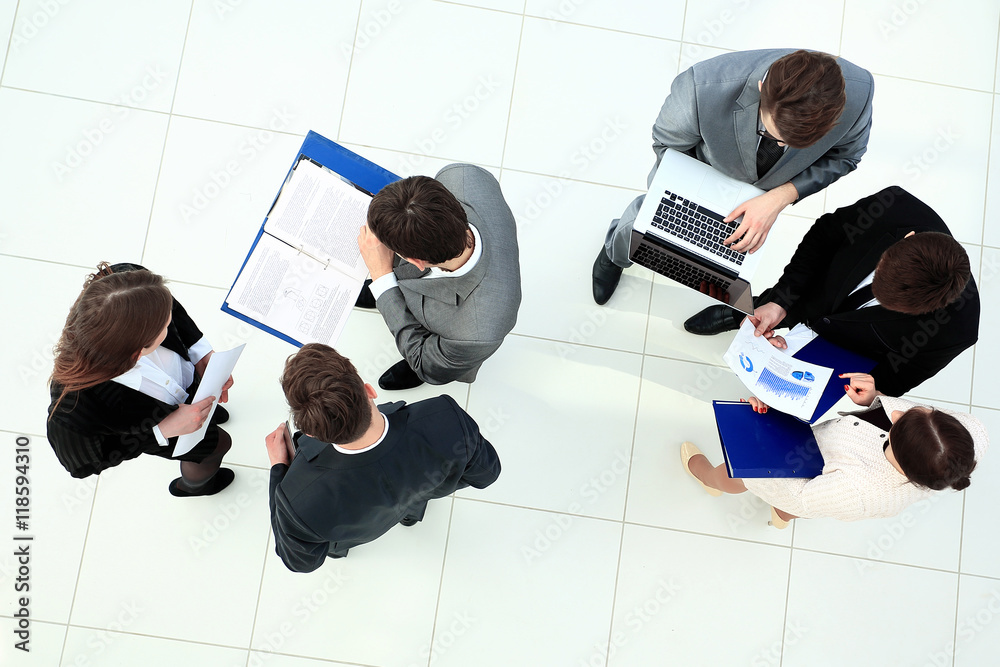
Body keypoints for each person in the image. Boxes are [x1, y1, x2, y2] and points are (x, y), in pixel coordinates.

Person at [593, 48, 874, 305]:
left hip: (766, 197)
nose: (778, 146)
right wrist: (698, 202)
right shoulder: (700, 87)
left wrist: (781, 196)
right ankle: (613, 253)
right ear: (761, 90)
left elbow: (847, 156)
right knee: (644, 225)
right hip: (704, 173)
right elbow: (668, 148)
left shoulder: (859, 92)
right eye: (770, 135)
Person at [684, 186, 979, 397]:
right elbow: (824, 237)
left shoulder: (957, 330)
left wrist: (868, 391)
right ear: (908, 237)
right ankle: (738, 315)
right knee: (764, 307)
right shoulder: (896, 206)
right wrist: (781, 300)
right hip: (813, 292)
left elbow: (895, 379)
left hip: (838, 353)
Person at [265, 343, 501, 572]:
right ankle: (409, 516)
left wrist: (279, 469)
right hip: (418, 494)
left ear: (311, 433)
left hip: (354, 532)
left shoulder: (298, 500)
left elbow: (300, 562)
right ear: (369, 390)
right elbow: (486, 473)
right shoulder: (446, 419)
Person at [680, 381, 987, 526]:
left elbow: (796, 491)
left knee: (742, 475)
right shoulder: (971, 434)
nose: (898, 411)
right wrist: (875, 399)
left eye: (900, 421)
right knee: (802, 507)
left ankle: (711, 479)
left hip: (801, 475)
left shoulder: (857, 491)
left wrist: (764, 430)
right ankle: (782, 516)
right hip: (823, 488)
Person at [47, 263, 236, 497]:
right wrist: (161, 431)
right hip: (155, 423)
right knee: (218, 444)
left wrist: (200, 352)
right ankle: (195, 485)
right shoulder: (72, 409)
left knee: (207, 405)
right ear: (137, 350)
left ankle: (208, 413)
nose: (171, 322)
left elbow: (171, 308)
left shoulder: (125, 283)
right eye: (165, 327)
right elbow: (85, 465)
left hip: (186, 382)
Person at [355, 163, 521, 390]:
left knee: (427, 362)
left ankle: (387, 293)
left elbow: (427, 364)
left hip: (443, 350)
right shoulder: (460, 176)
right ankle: (389, 293)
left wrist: (381, 276)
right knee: (390, 287)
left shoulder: (474, 333)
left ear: (415, 261)